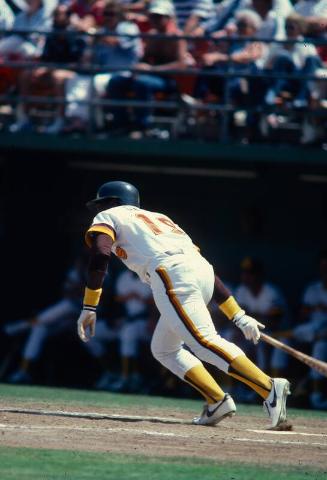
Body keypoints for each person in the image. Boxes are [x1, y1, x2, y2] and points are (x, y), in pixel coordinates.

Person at [77, 180, 290, 428]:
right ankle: (217, 400)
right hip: (201, 271)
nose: (99, 210)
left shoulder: (109, 214)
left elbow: (101, 253)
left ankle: (268, 387)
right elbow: (197, 263)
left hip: (170, 273)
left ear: (114, 202)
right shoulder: (160, 218)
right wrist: (238, 315)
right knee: (165, 348)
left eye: (102, 204)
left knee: (203, 341)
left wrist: (89, 306)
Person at [4, 253, 86, 384]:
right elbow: (67, 293)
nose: (79, 265)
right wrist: (79, 287)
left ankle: (19, 326)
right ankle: (23, 372)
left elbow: (98, 297)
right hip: (66, 318)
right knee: (39, 328)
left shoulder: (100, 273)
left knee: (67, 306)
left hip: (85, 317)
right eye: (79, 262)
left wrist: (81, 285)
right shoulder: (74, 273)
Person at [9, 4, 86, 134]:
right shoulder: (51, 34)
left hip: (72, 73)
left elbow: (77, 63)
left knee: (58, 77)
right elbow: (45, 58)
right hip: (51, 70)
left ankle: (60, 120)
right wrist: (44, 69)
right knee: (26, 74)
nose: (58, 17)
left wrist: (53, 69)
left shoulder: (76, 35)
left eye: (62, 14)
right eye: (56, 14)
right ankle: (25, 118)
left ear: (69, 17)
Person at [293, 250, 327, 409]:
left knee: (320, 346)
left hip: (323, 337)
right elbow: (302, 315)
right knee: (283, 341)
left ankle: (316, 397)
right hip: (311, 332)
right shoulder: (313, 289)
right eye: (323, 268)